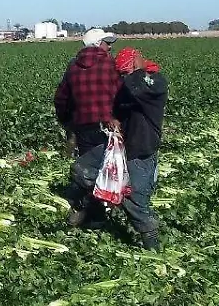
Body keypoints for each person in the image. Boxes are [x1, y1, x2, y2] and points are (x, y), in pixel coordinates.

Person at [54, 28, 120, 228]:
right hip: (108, 126)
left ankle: (92, 214)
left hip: (83, 126)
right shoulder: (111, 65)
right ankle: (97, 211)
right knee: (109, 169)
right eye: (107, 43)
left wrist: (67, 121)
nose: (110, 47)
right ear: (97, 44)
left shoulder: (73, 66)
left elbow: (61, 98)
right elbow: (123, 94)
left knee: (88, 170)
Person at [110, 47, 168, 250]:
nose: (124, 78)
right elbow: (120, 105)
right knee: (127, 194)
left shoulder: (154, 81)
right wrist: (114, 118)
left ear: (135, 64)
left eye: (125, 72)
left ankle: (151, 239)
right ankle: (148, 232)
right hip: (129, 146)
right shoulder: (133, 82)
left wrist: (132, 71)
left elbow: (135, 87)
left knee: (135, 197)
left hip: (143, 148)